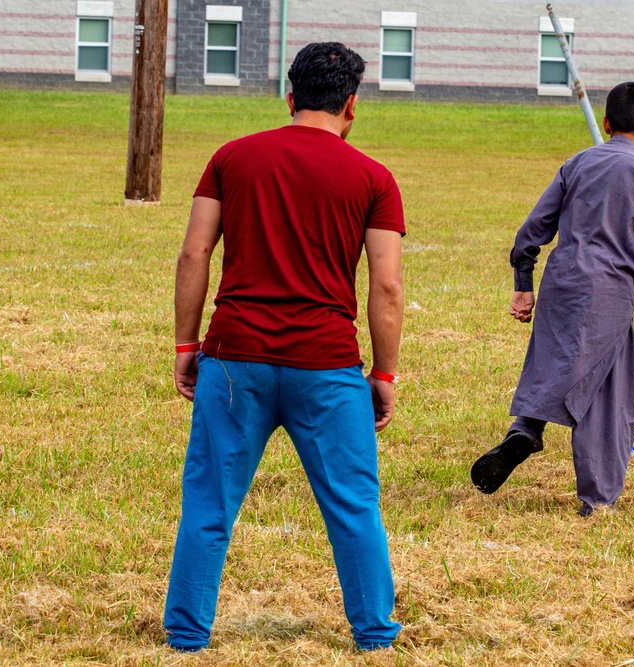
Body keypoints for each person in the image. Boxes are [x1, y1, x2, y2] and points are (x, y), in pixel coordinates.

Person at [163, 42, 404, 652]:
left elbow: (195, 253)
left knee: (209, 505)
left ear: (288, 96)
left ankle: (186, 635)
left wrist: (186, 343)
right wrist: (385, 374)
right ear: (353, 105)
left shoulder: (231, 157)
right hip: (326, 367)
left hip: (234, 358)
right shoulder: (374, 177)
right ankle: (374, 635)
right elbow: (387, 286)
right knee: (353, 508)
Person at [470, 82, 634, 517]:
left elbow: (532, 231)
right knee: (608, 393)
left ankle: (525, 428)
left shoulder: (576, 164)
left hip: (561, 280)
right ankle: (597, 497)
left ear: (606, 123)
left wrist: (523, 283)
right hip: (608, 289)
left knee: (551, 361)